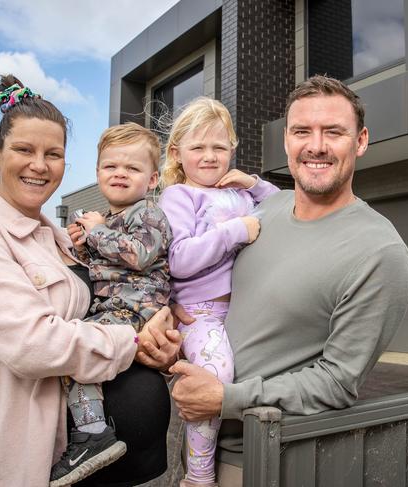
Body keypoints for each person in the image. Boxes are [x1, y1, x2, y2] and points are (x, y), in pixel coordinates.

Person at [168, 75, 408, 485]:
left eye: (333, 132)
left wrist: (225, 399)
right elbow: (200, 274)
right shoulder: (262, 210)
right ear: (286, 140)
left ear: (361, 141)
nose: (316, 145)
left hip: (268, 462)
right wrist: (173, 319)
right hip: (195, 444)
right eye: (303, 131)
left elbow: (337, 383)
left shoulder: (380, 253)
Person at [0, 75, 180, 487]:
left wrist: (163, 340)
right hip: (36, 457)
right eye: (23, 150)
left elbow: (127, 289)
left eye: (54, 153)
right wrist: (136, 343)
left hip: (118, 464)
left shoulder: (64, 239)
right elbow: (35, 345)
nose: (39, 164)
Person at [157, 97, 279, 487]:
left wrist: (253, 183)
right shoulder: (179, 196)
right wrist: (234, 231)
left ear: (232, 148)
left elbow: (284, 207)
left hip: (245, 310)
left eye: (219, 146)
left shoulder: (240, 193)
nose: (209, 156)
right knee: (216, 374)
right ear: (177, 153)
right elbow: (178, 259)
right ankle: (199, 476)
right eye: (198, 147)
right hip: (202, 312)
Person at [50, 122, 173, 486]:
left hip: (136, 310)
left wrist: (98, 231)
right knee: (76, 355)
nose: (120, 173)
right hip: (113, 309)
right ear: (98, 172)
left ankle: (91, 434)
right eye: (110, 166)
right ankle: (91, 429)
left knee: (79, 350)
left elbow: (140, 255)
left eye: (132, 168)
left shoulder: (149, 214)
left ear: (151, 180)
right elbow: (102, 267)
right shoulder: (111, 218)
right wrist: (82, 245)